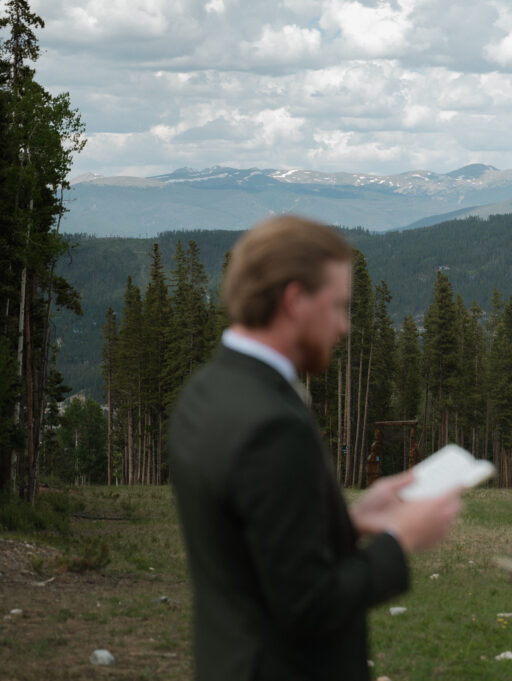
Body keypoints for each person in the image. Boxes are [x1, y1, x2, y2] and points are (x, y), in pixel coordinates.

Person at [169, 215, 462, 681]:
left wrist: (348, 521)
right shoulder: (272, 426)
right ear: (294, 300)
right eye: (338, 306)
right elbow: (309, 605)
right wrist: (401, 538)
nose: (344, 327)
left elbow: (255, 539)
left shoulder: (206, 391)